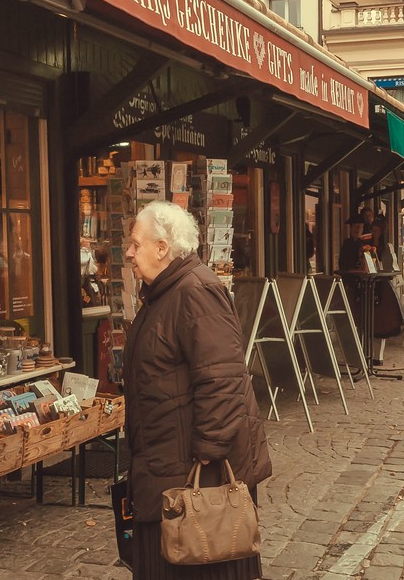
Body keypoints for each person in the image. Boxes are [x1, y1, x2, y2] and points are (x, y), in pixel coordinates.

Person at [122, 200, 272, 579]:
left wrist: (206, 458)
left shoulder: (194, 291)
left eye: (136, 244)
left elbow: (223, 380)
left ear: (163, 248)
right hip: (165, 468)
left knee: (202, 563)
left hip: (194, 478)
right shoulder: (164, 294)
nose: (129, 252)